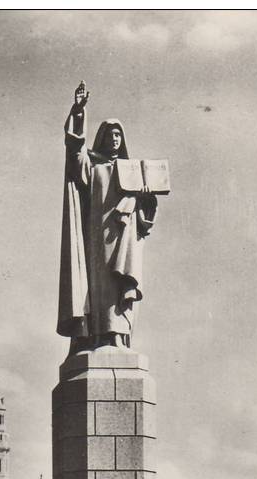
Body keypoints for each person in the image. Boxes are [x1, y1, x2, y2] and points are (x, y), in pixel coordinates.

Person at [57, 82, 159, 352]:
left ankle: (119, 337)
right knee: (100, 288)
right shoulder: (94, 166)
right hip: (98, 237)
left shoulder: (131, 172)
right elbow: (74, 152)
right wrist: (79, 112)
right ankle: (99, 337)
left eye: (118, 136)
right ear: (102, 137)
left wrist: (147, 199)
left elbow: (145, 221)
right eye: (111, 135)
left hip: (124, 239)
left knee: (119, 286)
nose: (115, 139)